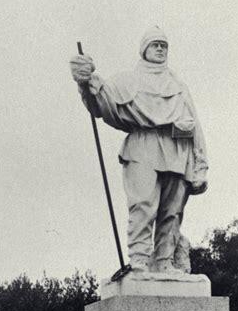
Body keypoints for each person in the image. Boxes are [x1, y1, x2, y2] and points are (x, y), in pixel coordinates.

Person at [70, 26, 208, 274]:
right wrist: (85, 81)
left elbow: (195, 125)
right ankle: (140, 262)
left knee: (172, 211)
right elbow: (101, 104)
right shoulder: (127, 81)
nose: (159, 49)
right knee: (143, 205)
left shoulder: (178, 85)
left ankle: (165, 261)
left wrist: (201, 164)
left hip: (177, 150)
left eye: (163, 45)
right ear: (144, 49)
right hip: (142, 146)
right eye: (155, 44)